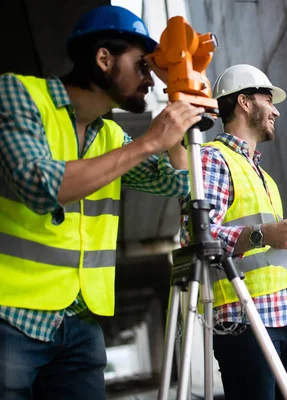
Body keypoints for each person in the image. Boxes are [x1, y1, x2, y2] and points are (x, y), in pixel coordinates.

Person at [0, 5, 204, 399]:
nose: (149, 78)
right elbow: (39, 185)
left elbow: (181, 183)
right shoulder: (20, 93)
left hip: (79, 323)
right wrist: (149, 142)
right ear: (103, 58)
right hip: (11, 317)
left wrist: (177, 99)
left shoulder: (110, 136)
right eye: (142, 66)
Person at [179, 64, 287, 400]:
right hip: (245, 322)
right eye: (268, 99)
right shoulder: (212, 159)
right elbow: (195, 236)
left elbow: (275, 241)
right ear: (244, 102)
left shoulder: (263, 175)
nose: (275, 110)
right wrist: (261, 234)